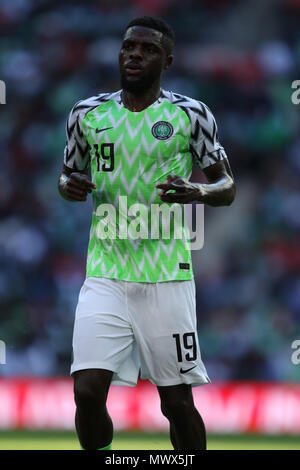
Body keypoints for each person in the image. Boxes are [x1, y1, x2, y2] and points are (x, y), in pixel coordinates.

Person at [58, 16, 235, 451]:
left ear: (167, 60)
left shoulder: (190, 114)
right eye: (128, 47)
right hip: (105, 271)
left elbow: (226, 186)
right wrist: (69, 186)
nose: (134, 54)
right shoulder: (87, 113)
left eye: (148, 49)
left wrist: (195, 190)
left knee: (175, 402)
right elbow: (67, 177)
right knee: (86, 391)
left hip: (167, 276)